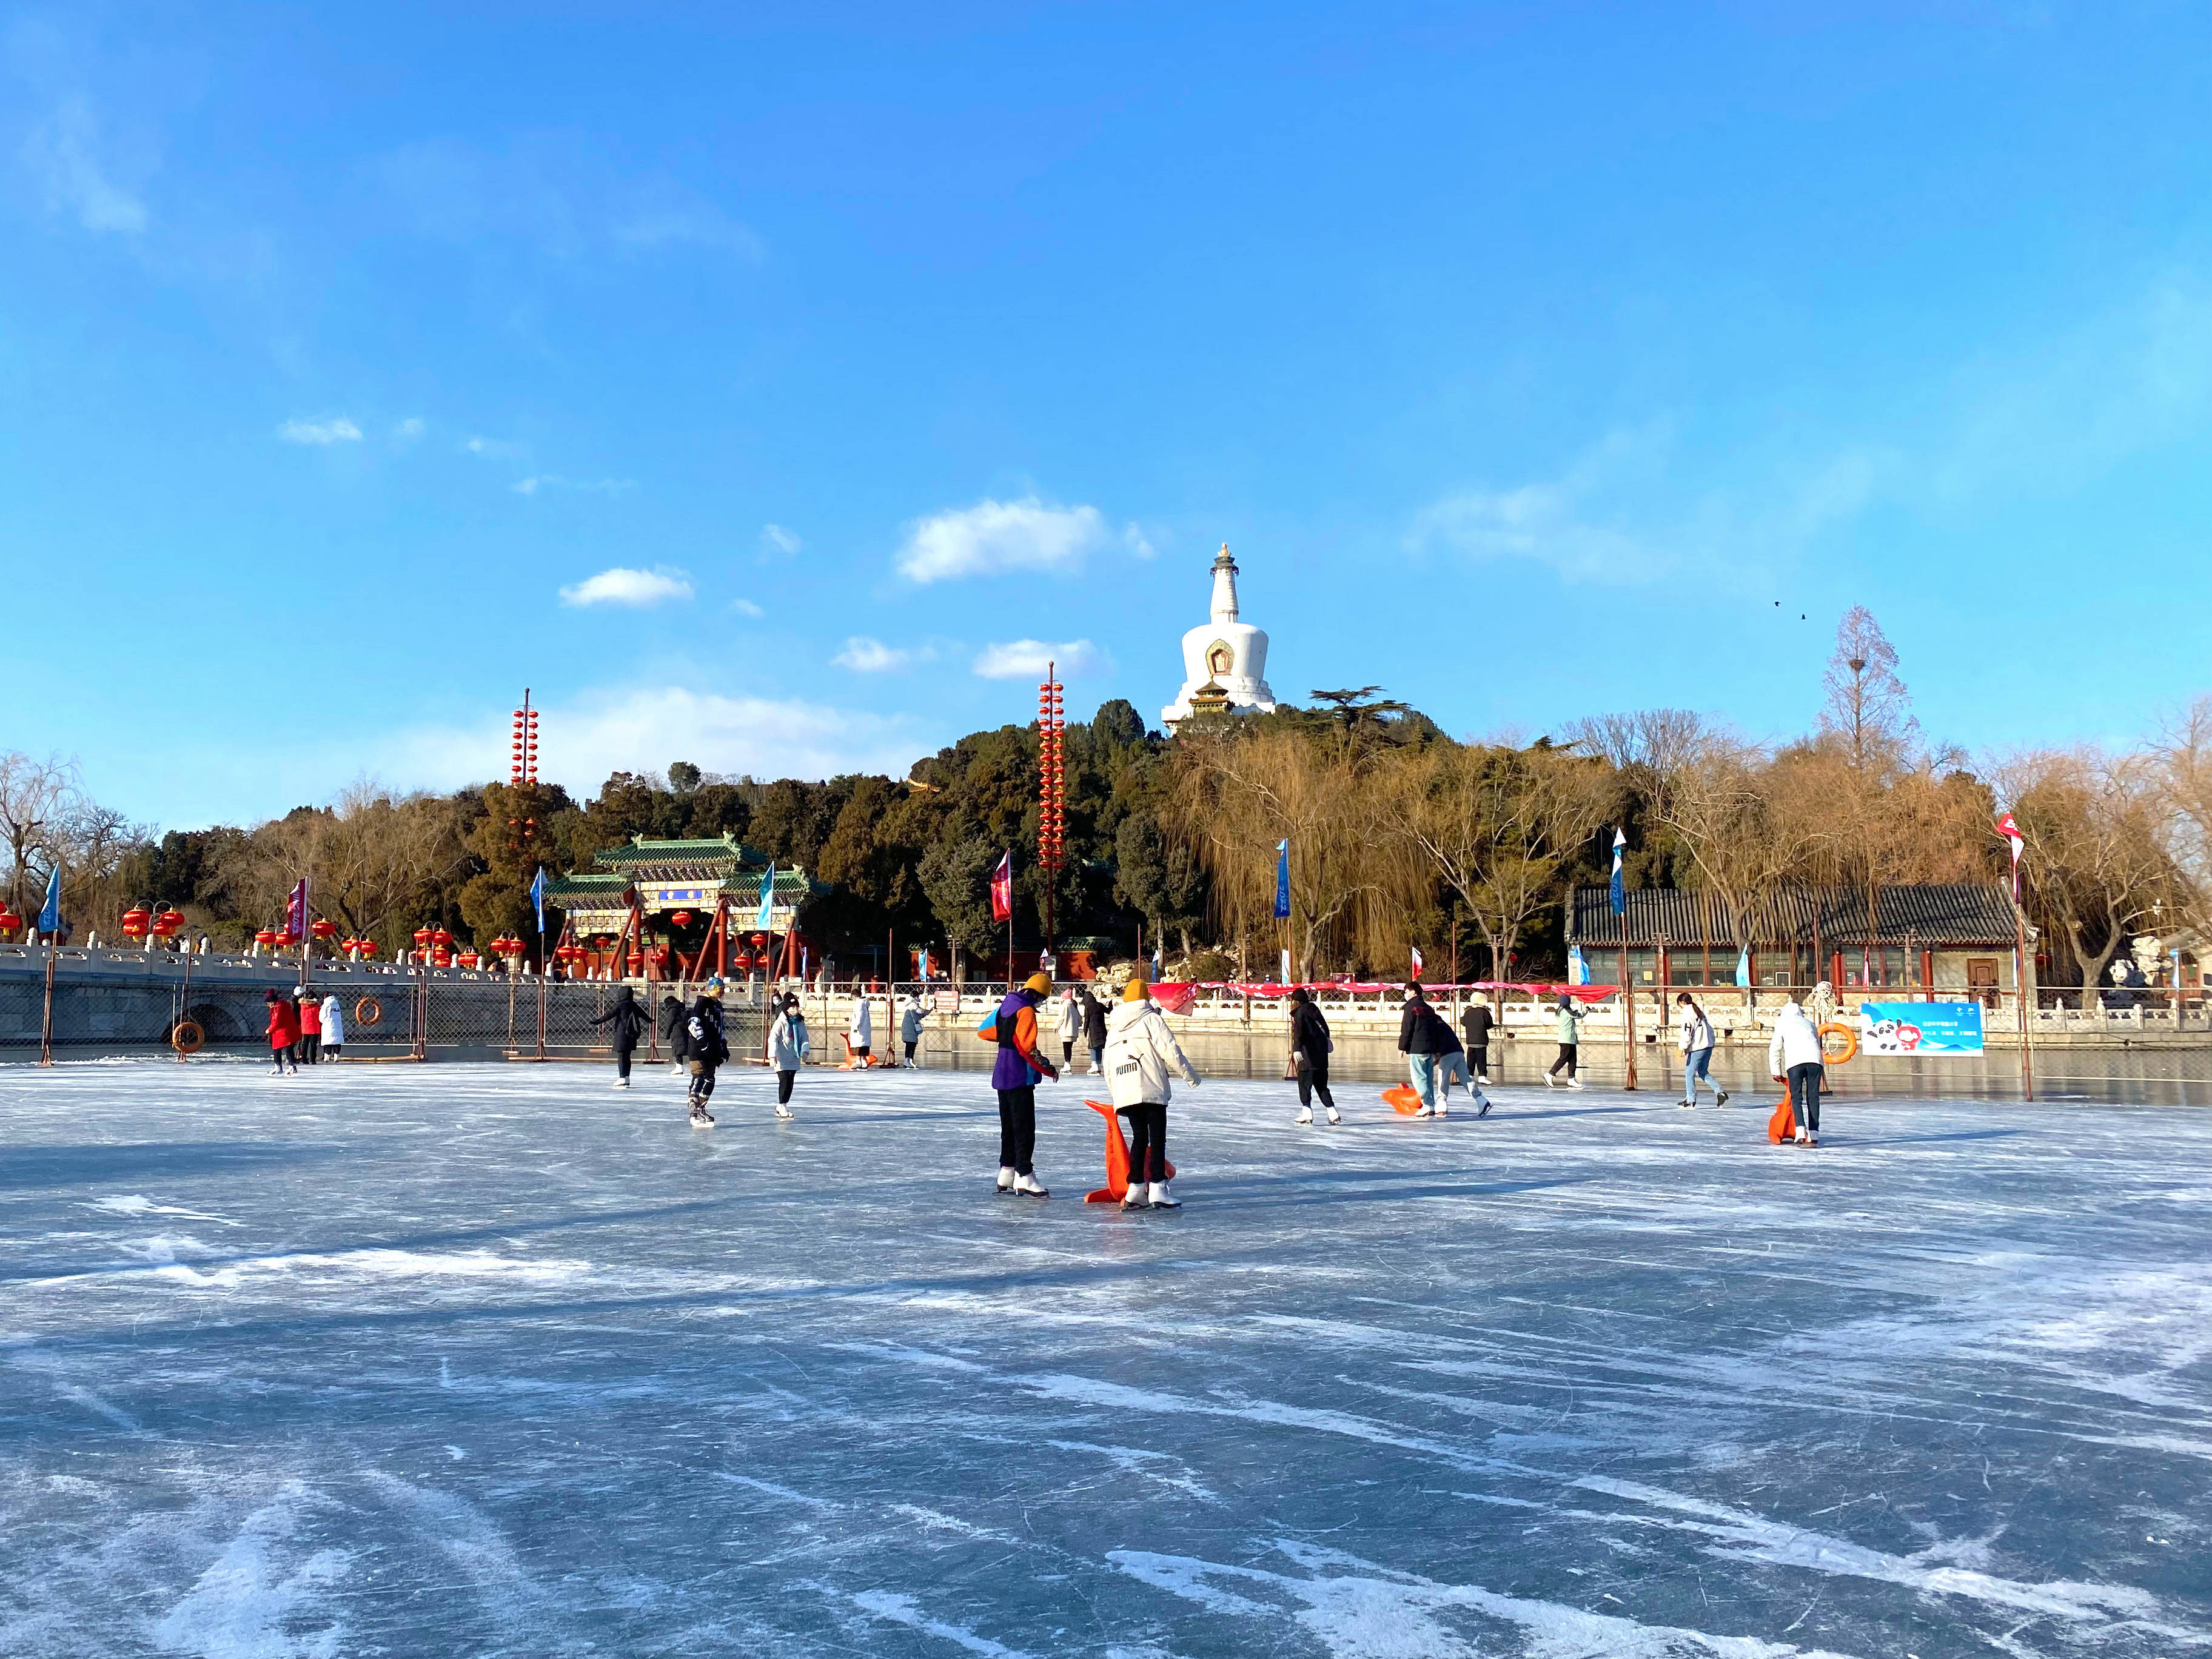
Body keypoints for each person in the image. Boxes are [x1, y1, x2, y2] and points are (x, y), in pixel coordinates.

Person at [1103, 976, 1199, 1209]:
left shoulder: (1113, 1027)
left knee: (1139, 1138)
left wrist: (1116, 1092)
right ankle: (1157, 1187)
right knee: (1157, 1139)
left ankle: (1135, 1188)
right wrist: (1190, 1077)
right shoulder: (1151, 1020)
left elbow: (1107, 1064)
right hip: (1151, 1089)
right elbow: (1171, 1050)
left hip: (1126, 1091)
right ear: (1146, 998)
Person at [987, 971, 1059, 1196]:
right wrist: (1048, 1068)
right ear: (1039, 995)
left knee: (1008, 1126)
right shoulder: (1026, 1011)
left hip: (1002, 1073)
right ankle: (1025, 1176)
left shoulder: (1006, 1005)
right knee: (1025, 1127)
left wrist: (1006, 1038)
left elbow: (985, 1031)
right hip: (1019, 1075)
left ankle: (1007, 1172)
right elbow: (1027, 1047)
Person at [1768, 997, 1825, 1146]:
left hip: (1795, 1063)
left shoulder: (1782, 1024)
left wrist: (1776, 1071)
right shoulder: (1810, 1024)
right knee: (1813, 1098)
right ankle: (1814, 1134)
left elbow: (1775, 1048)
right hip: (1815, 1062)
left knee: (1796, 1097)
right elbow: (1818, 1044)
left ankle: (1800, 1132)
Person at [1396, 982, 1452, 1118]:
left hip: (1418, 1048)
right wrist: (1437, 1048)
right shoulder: (1428, 1008)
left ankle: (1427, 1104)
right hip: (1430, 1047)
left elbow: (1407, 1028)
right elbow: (1435, 1030)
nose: (1405, 994)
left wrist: (1402, 1047)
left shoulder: (1411, 1007)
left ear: (1414, 992)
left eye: (1407, 991)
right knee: (1428, 1078)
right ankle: (1430, 1105)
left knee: (1419, 1078)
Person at [1288, 987, 1339, 1125]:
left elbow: (1299, 1034)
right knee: (1322, 1086)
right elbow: (1326, 1030)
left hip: (1307, 1058)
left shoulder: (1300, 1013)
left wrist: (1297, 1049)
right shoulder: (1315, 1011)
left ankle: (1307, 1113)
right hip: (1321, 1059)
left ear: (1296, 1001)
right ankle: (1332, 1112)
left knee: (1305, 1085)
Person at [685, 979, 729, 1126]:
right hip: (699, 1049)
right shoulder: (702, 1003)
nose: (722, 992)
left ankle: (702, 1108)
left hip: (713, 1049)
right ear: (712, 989)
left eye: (723, 989)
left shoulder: (718, 1007)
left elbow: (721, 1029)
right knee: (699, 1077)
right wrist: (702, 1039)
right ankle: (693, 1111)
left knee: (710, 1079)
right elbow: (693, 1023)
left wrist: (723, 1046)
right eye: (719, 989)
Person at [592, 984, 650, 1088]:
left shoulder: (621, 1005)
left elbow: (609, 1015)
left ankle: (622, 1077)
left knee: (621, 1056)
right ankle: (627, 1077)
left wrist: (597, 1022)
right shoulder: (634, 1005)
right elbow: (644, 1015)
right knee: (627, 1056)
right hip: (632, 1034)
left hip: (622, 1034)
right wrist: (652, 1021)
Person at [1676, 991, 1727, 1108]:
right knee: (1702, 1071)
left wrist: (1682, 1047)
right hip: (1708, 1046)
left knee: (1689, 1073)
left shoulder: (1687, 1013)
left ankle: (1691, 1099)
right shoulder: (1698, 1011)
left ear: (1682, 1003)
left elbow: (1686, 1031)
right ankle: (1720, 1092)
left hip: (1698, 1047)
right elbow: (1708, 1029)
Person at [769, 991, 809, 1117]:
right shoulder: (781, 1022)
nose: (795, 1009)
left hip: (794, 1056)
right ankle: (782, 1105)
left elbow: (804, 1037)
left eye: (796, 1007)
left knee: (790, 1082)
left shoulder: (799, 1021)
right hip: (782, 1056)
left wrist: (805, 1051)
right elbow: (773, 1038)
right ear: (786, 1008)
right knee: (785, 1081)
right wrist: (772, 1055)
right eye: (792, 1007)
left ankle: (783, 1105)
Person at [1544, 994, 1587, 1088]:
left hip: (1568, 1039)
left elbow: (1572, 1015)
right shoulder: (1567, 1012)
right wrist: (1587, 1010)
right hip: (1567, 1039)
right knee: (1563, 1058)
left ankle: (1571, 1079)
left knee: (1572, 1059)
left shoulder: (1561, 1011)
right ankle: (1551, 1074)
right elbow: (1578, 1015)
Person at [1460, 997, 1495, 1085]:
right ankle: (1482, 1076)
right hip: (1481, 1039)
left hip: (1471, 1039)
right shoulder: (1484, 1012)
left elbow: (1463, 1022)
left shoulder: (1468, 1012)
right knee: (1481, 1059)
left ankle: (1470, 1075)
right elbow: (1489, 1024)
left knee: (1471, 1059)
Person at [263, 988, 298, 1076]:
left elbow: (277, 1022)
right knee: (285, 1050)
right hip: (282, 1032)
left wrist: (269, 1030)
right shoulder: (280, 1006)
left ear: (272, 1001)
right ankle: (290, 1067)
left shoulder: (278, 1008)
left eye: (268, 1004)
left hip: (283, 1032)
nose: (268, 1006)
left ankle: (282, 1067)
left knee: (282, 1050)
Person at [660, 992, 689, 1076]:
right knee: (687, 1049)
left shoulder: (672, 1010)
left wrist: (667, 1035)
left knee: (677, 1049)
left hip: (676, 1031)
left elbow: (670, 1023)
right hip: (685, 1031)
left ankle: (679, 1067)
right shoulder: (682, 1008)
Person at [1081, 984, 1108, 1074]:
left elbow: (1087, 1019)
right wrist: (1111, 1005)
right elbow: (1109, 1011)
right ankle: (1099, 1065)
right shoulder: (1100, 1005)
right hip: (1102, 1030)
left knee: (1093, 1047)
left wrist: (1085, 1031)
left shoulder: (1088, 1007)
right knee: (1099, 1048)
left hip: (1093, 1030)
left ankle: (1094, 1065)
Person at [848, 983, 873, 1065]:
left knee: (858, 1047)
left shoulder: (859, 1004)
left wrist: (856, 1026)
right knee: (863, 1047)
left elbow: (859, 1016)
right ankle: (862, 1061)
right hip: (865, 1029)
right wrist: (851, 1018)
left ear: (854, 996)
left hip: (859, 1030)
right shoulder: (864, 1004)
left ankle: (860, 1062)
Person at [1056, 987, 1082, 1067]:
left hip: (1066, 1031)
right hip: (1073, 1031)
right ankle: (1068, 1063)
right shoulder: (1074, 1005)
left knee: (1066, 1048)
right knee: (1069, 1048)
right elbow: (1079, 1018)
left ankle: (1067, 1064)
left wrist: (1056, 1026)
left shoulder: (1065, 1005)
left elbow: (1061, 1017)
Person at [899, 992, 924, 1067]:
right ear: (915, 997)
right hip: (911, 1029)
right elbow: (920, 1011)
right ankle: (908, 1061)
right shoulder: (913, 1004)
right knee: (911, 1045)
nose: (919, 998)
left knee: (909, 1045)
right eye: (918, 997)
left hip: (907, 1028)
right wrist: (925, 1010)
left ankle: (908, 1061)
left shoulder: (909, 1004)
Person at [297, 990, 322, 1065]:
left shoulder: (302, 1006)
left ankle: (304, 1058)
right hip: (314, 1027)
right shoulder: (316, 1007)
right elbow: (319, 1017)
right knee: (313, 1045)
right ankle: (312, 1060)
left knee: (305, 1044)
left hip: (305, 1027)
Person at [319, 991, 344, 1061]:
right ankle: (336, 1057)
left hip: (328, 1026)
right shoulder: (337, 1004)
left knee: (328, 1042)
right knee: (337, 1042)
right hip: (337, 1026)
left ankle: (327, 1058)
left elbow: (322, 1017)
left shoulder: (326, 1005)